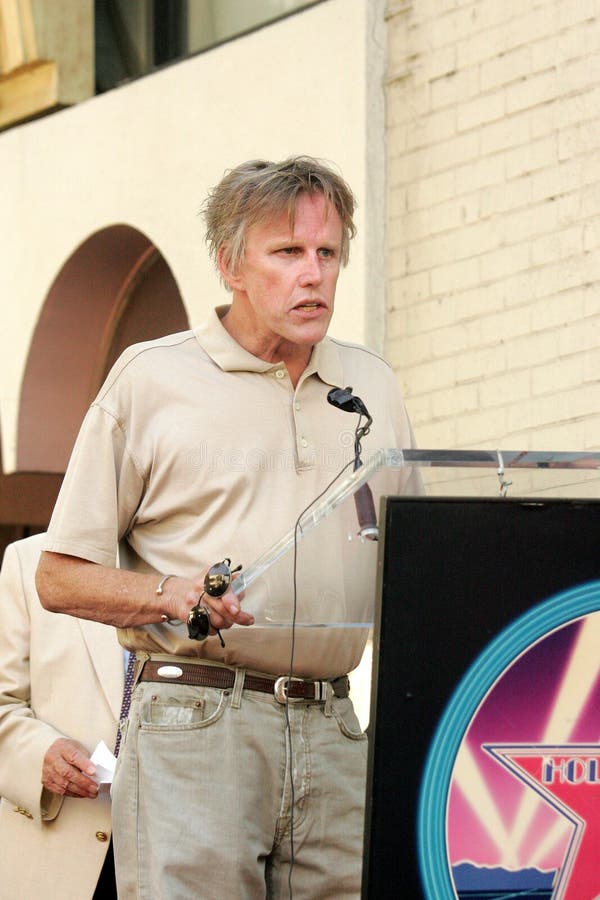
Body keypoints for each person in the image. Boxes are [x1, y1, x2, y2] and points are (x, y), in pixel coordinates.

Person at [36, 156, 423, 899]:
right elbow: (57, 576)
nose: (314, 274)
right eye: (287, 253)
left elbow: (412, 563)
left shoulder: (371, 385)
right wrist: (169, 595)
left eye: (329, 253)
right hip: (195, 721)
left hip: (335, 725)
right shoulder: (150, 380)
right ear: (229, 266)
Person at [0, 532, 124, 899]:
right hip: (57, 858)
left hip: (175, 861)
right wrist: (41, 754)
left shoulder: (203, 573)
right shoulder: (27, 560)